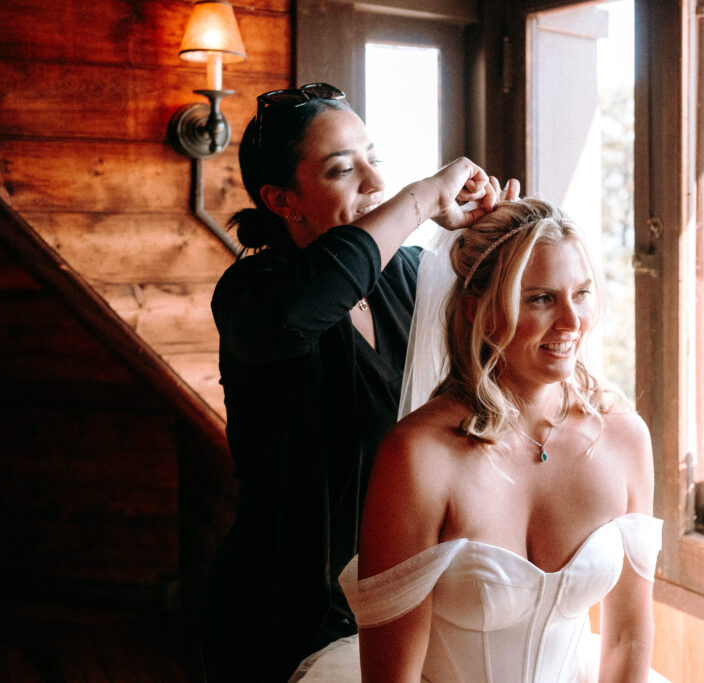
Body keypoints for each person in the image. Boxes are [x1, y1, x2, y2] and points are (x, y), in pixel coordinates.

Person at [201, 82, 516, 682]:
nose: (374, 183)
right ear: (282, 199)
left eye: (376, 160)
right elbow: (294, 316)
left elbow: (492, 365)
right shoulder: (255, 293)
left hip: (401, 595)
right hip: (282, 617)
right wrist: (422, 197)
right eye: (344, 170)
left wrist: (488, 240)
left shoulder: (409, 276)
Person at [294, 197, 664, 682]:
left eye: (583, 293)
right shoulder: (420, 456)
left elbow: (627, 638)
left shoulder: (624, 438)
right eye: (541, 298)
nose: (572, 322)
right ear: (479, 312)